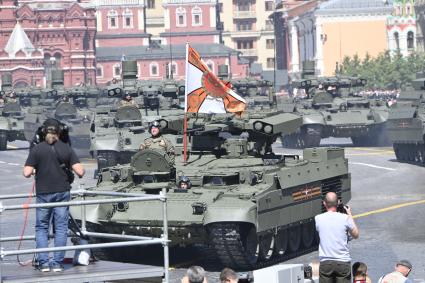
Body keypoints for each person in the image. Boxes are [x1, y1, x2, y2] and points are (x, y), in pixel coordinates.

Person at [23, 119, 85, 272]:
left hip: (43, 193)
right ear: (58, 133)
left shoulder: (37, 150)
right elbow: (81, 172)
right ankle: (57, 263)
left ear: (44, 132)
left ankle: (44, 263)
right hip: (62, 192)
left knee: (42, 227)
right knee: (61, 227)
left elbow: (26, 173)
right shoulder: (66, 149)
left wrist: (37, 168)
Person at [315, 192, 359, 283]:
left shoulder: (318, 218)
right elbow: (356, 235)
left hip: (326, 262)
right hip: (342, 262)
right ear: (338, 202)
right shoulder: (345, 218)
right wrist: (349, 214)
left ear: (324, 203)